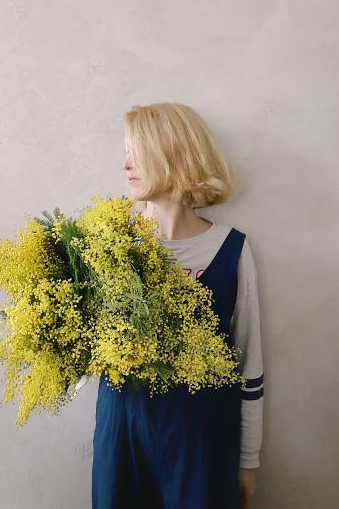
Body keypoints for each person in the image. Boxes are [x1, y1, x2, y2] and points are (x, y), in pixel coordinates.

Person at [79, 102, 264, 509]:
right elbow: (83, 352)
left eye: (137, 151)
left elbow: (249, 363)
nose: (125, 165)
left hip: (202, 440)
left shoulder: (231, 250)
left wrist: (247, 462)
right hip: (122, 435)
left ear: (174, 154)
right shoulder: (108, 243)